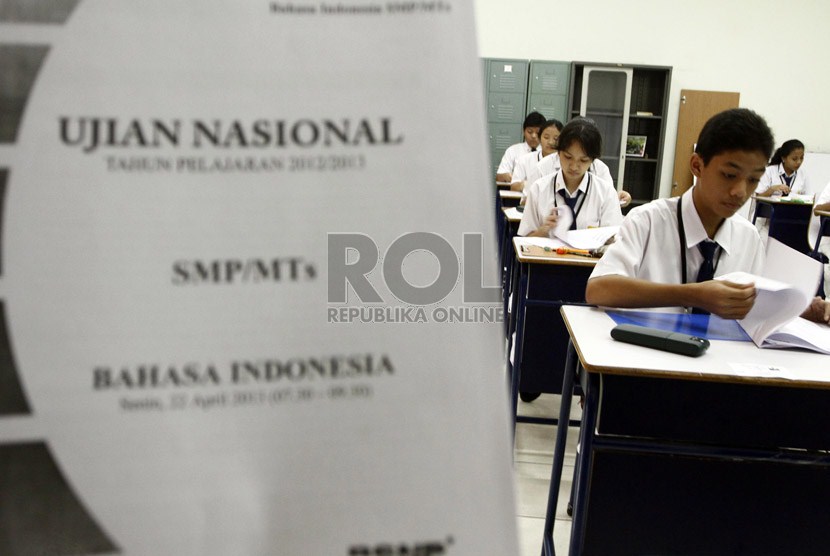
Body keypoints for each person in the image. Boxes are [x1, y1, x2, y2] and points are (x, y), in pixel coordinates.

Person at [585, 108, 830, 323]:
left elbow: (754, 305)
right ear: (697, 166)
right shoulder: (647, 221)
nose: (740, 192)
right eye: (729, 175)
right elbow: (598, 289)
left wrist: (801, 309)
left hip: (720, 366)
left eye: (753, 179)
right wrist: (693, 294)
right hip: (646, 361)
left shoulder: (748, 237)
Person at [518, 117, 623, 237]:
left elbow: (615, 241)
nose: (574, 167)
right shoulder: (539, 189)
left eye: (583, 160)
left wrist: (602, 239)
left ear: (593, 160)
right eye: (568, 157)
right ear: (558, 153)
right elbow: (524, 241)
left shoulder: (606, 193)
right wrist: (543, 231)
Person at [509, 119, 562, 192]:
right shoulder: (525, 159)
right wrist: (531, 184)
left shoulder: (564, 162)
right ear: (539, 138)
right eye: (546, 137)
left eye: (556, 139)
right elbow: (514, 187)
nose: (550, 142)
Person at [495, 111, 546, 183]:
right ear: (523, 131)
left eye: (537, 133)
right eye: (530, 132)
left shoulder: (547, 153)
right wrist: (512, 177)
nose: (534, 136)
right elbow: (499, 176)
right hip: (516, 191)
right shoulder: (512, 150)